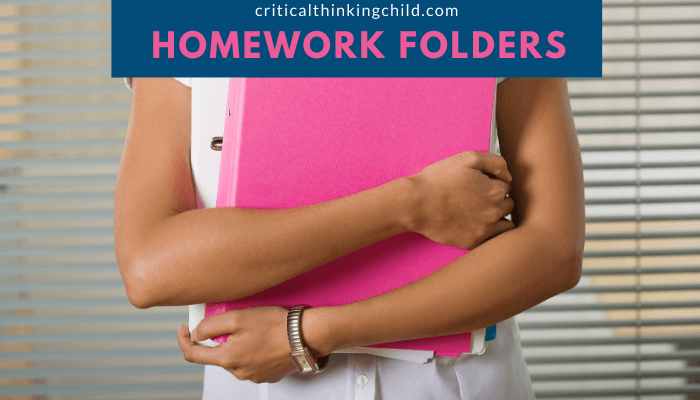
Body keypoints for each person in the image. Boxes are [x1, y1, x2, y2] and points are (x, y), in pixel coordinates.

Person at [116, 77, 584, 399]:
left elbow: (553, 248)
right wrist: (412, 204)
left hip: (457, 384)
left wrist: (310, 333)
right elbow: (150, 267)